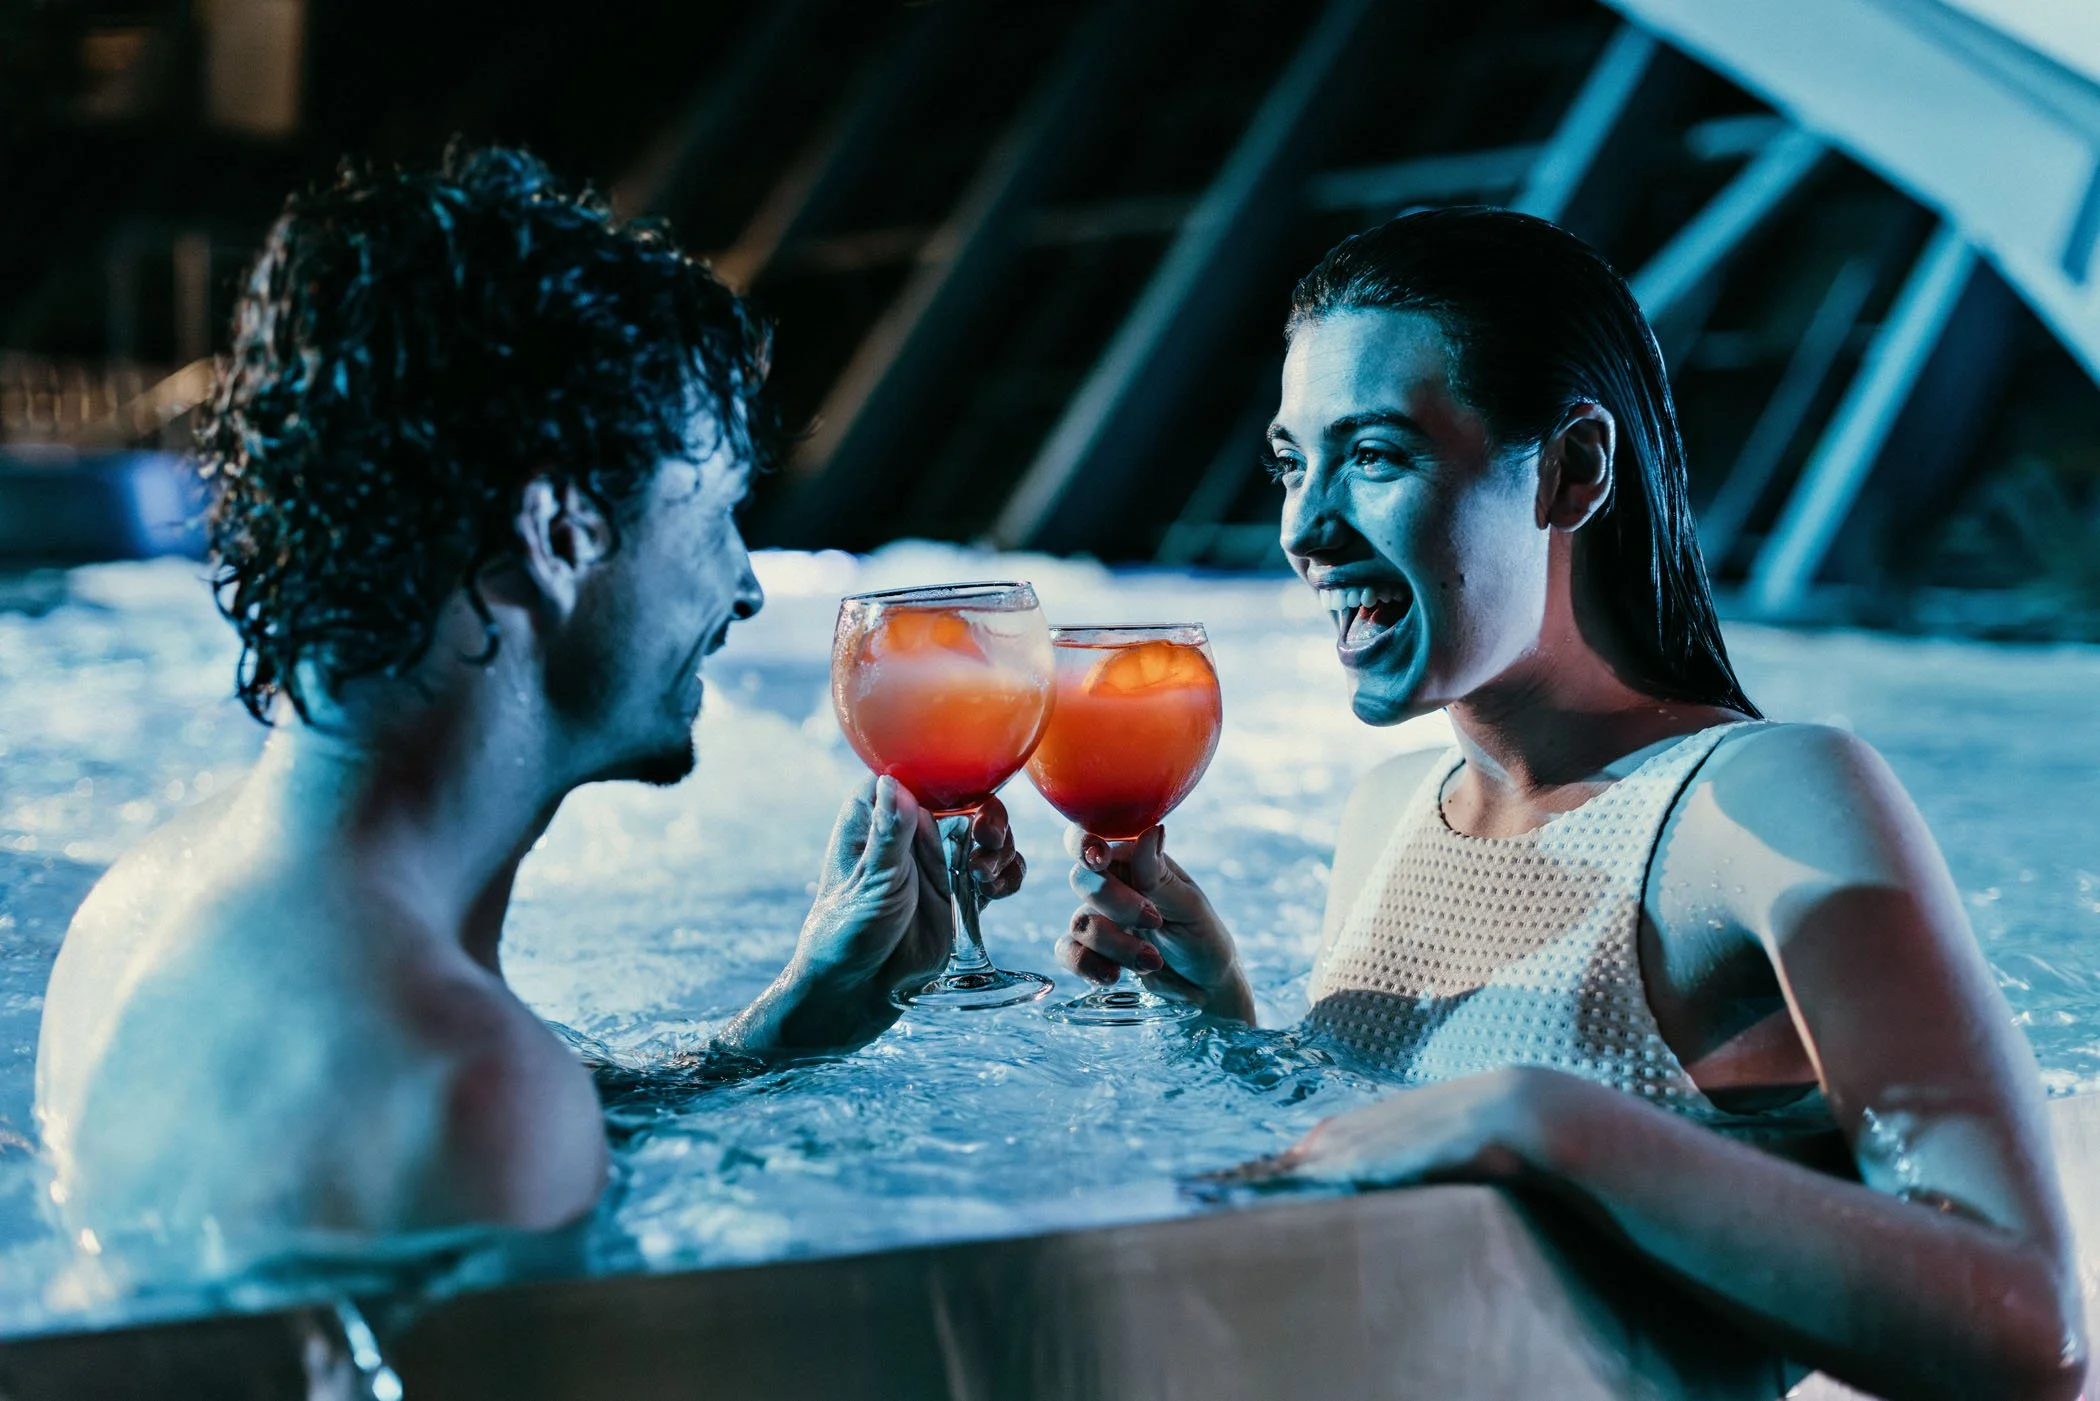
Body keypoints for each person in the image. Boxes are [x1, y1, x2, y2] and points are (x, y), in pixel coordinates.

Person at [1056, 208, 2086, 1401]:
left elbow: (2031, 1334)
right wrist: (1226, 1027)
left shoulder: (1767, 805)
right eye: (1294, 461)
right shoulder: (1394, 810)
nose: (1305, 526)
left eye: (1377, 454)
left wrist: (1550, 1122)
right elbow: (1391, 1174)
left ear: (1574, 470)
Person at [33, 145, 1021, 1270]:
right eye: (716, 518)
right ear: (560, 535)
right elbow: (470, 1131)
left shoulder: (140, 904)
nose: (744, 585)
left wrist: (770, 1044)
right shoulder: (469, 1089)